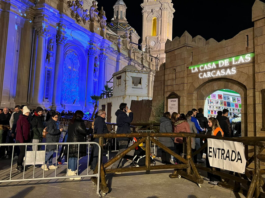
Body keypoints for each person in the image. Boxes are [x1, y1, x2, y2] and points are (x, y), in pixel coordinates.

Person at [67, 110, 88, 180]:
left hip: (70, 141)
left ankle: (70, 171)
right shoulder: (79, 122)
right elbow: (84, 131)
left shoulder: (71, 122)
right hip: (76, 142)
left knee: (71, 156)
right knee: (75, 157)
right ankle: (73, 172)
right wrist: (90, 130)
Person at [112, 103, 133, 170]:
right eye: (126, 107)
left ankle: (118, 166)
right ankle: (114, 166)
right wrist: (131, 113)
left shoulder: (120, 114)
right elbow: (129, 120)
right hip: (123, 135)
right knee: (121, 151)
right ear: (124, 108)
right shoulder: (122, 115)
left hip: (123, 134)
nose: (127, 108)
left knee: (122, 151)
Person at [206, 117, 224, 185]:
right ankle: (209, 176)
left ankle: (216, 179)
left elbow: (218, 140)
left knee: (215, 164)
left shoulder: (218, 130)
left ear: (213, 123)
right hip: (209, 148)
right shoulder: (210, 129)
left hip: (215, 149)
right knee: (208, 163)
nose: (208, 123)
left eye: (209, 122)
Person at [16, 106, 31, 172]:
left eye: (28, 112)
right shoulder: (21, 119)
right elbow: (19, 130)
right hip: (21, 139)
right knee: (22, 152)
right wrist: (21, 140)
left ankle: (20, 164)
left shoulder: (26, 119)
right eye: (27, 112)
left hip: (25, 138)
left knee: (23, 152)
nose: (28, 113)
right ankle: (19, 165)